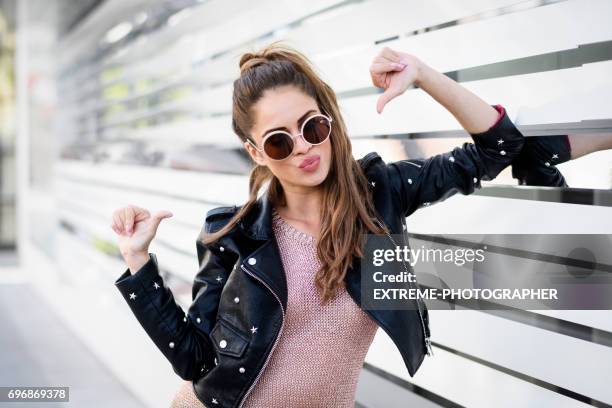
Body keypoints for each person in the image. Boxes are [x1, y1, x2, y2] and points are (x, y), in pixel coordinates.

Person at [111, 42, 525, 407]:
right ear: (256, 153)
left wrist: (421, 74)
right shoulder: (235, 235)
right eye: (279, 140)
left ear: (328, 121)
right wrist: (138, 262)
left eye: (312, 126)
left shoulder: (380, 196)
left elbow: (499, 147)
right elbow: (194, 359)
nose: (304, 146)